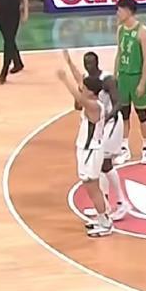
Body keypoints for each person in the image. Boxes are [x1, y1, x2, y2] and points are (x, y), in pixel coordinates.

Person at [63, 49, 129, 222]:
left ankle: (122, 203)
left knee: (105, 164)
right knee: (99, 167)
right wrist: (69, 63)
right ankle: (104, 205)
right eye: (85, 63)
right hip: (100, 122)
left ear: (97, 62)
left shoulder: (107, 79)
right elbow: (78, 96)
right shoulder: (88, 82)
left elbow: (119, 103)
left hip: (111, 122)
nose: (88, 66)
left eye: (90, 63)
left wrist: (104, 119)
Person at [56, 62, 113, 238]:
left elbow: (79, 99)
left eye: (85, 88)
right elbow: (81, 83)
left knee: (92, 187)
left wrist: (65, 80)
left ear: (91, 91)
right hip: (88, 149)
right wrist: (69, 64)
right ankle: (102, 216)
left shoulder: (93, 106)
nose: (82, 88)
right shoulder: (94, 101)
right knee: (90, 186)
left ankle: (105, 223)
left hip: (91, 150)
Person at [112, 0, 146, 165]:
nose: (117, 13)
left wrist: (143, 82)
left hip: (136, 76)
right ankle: (124, 149)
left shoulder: (142, 31)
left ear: (128, 11)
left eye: (119, 10)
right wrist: (115, 76)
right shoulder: (120, 29)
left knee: (142, 113)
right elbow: (119, 53)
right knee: (124, 114)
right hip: (123, 76)